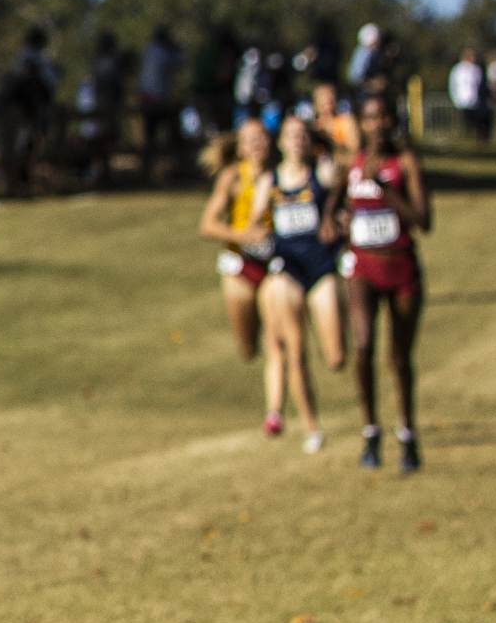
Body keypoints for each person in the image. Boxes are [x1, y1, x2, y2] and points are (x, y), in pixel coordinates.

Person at [341, 90, 431, 473]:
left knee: (399, 357)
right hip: (363, 267)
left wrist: (388, 190)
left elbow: (424, 221)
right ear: (360, 122)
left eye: (383, 117)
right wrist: (336, 220)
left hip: (401, 267)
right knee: (362, 346)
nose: (377, 125)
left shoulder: (405, 162)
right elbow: (339, 203)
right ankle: (370, 430)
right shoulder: (352, 163)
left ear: (393, 120)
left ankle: (407, 433)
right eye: (370, 118)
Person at [258, 112, 347, 452]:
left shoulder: (321, 175)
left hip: (321, 266)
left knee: (337, 357)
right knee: (295, 351)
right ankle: (311, 427)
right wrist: (251, 242)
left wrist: (336, 215)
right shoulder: (270, 183)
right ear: (280, 143)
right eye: (290, 135)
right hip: (288, 270)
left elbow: (343, 176)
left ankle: (335, 360)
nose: (297, 140)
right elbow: (254, 225)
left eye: (302, 135)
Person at [199, 120, 278, 373]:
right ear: (241, 148)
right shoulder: (232, 177)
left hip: (275, 265)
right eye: (250, 140)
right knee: (248, 350)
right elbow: (207, 225)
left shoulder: (280, 173)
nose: (258, 144)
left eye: (262, 137)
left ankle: (274, 411)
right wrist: (243, 236)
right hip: (240, 266)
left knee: (277, 343)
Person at [1, 28, 60, 195]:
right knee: (27, 144)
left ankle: (27, 179)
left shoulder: (35, 58)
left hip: (31, 109)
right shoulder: (31, 58)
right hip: (28, 109)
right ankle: (21, 179)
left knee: (32, 144)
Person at [137, 25, 186, 185]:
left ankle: (147, 172)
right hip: (157, 100)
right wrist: (178, 48)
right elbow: (181, 63)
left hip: (147, 98)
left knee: (150, 137)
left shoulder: (148, 50)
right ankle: (173, 170)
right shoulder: (162, 52)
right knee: (170, 135)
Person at [77, 30, 126, 189]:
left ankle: (101, 172)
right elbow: (115, 85)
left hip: (99, 104)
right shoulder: (109, 61)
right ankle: (101, 173)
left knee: (102, 139)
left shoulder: (98, 61)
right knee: (104, 139)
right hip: (106, 105)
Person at [449, 48, 487, 143]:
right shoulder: (457, 69)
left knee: (477, 121)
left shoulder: (476, 69)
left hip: (475, 100)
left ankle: (476, 139)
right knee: (465, 121)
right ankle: (466, 138)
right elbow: (453, 84)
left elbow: (480, 84)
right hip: (462, 100)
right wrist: (455, 98)